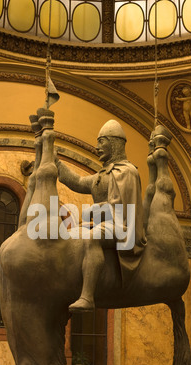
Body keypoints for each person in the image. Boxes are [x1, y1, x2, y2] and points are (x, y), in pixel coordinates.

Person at [56, 119, 147, 314]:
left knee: (93, 237)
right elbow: (79, 181)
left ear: (114, 143)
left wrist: (92, 213)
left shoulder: (128, 172)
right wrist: (55, 162)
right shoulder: (102, 175)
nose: (97, 147)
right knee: (72, 235)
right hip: (105, 223)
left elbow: (123, 209)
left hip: (123, 227)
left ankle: (87, 297)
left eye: (102, 141)